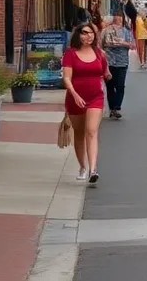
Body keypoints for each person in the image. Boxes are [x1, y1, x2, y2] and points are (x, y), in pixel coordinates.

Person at [62, 22, 110, 184]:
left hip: (96, 97)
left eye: (91, 33)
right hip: (75, 98)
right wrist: (74, 94)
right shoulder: (70, 53)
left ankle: (93, 169)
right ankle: (83, 166)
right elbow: (67, 78)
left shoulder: (99, 53)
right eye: (84, 33)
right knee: (80, 133)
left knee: (91, 131)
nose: (87, 36)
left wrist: (107, 70)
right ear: (78, 35)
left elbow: (104, 73)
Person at [102, 11, 135, 119]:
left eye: (120, 18)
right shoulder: (106, 30)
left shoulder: (126, 32)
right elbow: (103, 43)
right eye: (116, 17)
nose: (118, 20)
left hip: (122, 62)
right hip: (109, 62)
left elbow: (131, 45)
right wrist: (119, 43)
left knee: (120, 85)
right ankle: (112, 109)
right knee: (110, 86)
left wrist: (120, 42)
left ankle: (117, 106)